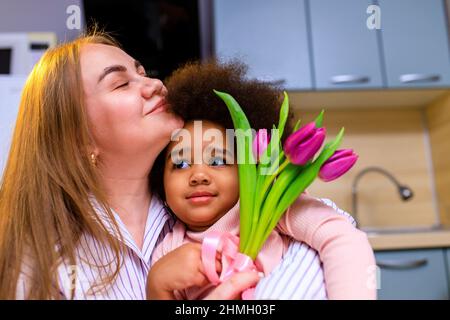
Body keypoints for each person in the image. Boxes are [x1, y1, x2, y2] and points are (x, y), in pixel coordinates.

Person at [0, 32, 259, 299]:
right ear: (78, 138)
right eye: (121, 83)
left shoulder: (215, 206)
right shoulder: (40, 262)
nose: (156, 84)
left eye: (143, 73)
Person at [146, 61, 377, 300]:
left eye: (217, 161)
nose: (198, 176)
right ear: (159, 179)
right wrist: (157, 284)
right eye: (181, 164)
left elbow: (342, 238)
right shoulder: (167, 251)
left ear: (249, 168)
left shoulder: (273, 207)